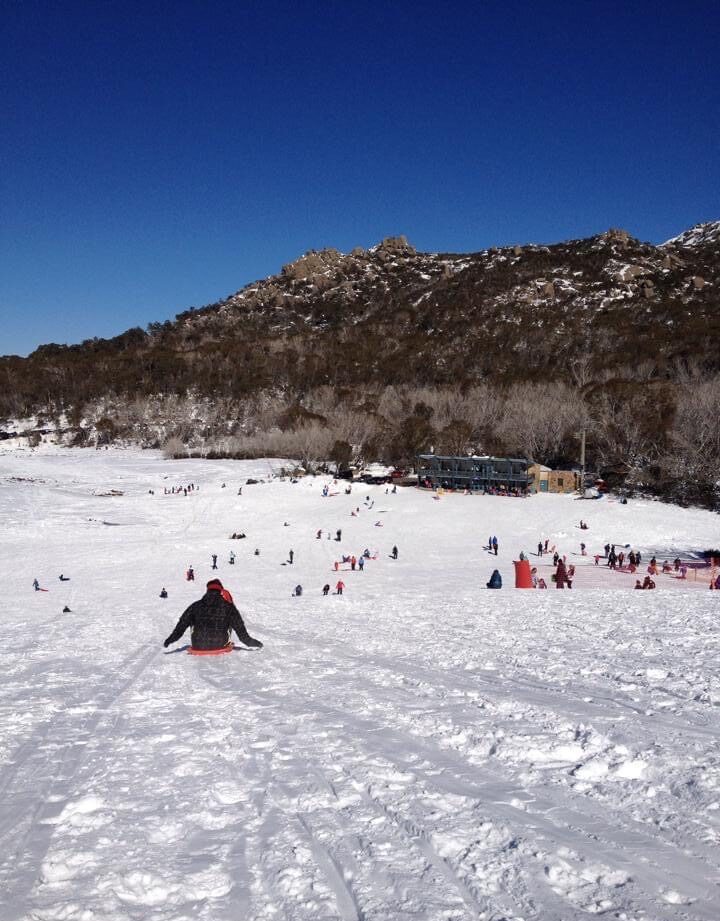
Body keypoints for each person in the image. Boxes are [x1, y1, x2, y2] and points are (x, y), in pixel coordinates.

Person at [163, 579, 263, 651]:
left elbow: (181, 626)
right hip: (220, 646)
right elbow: (242, 634)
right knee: (229, 619)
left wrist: (169, 640)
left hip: (198, 646)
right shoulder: (229, 607)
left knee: (193, 619)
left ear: (207, 590)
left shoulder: (195, 606)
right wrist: (255, 643)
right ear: (220, 591)